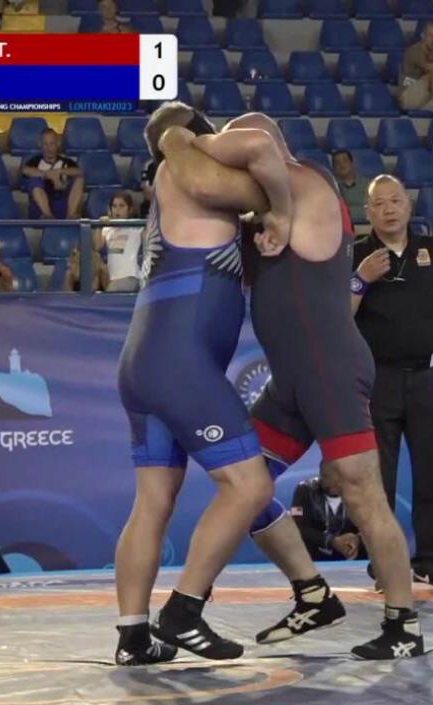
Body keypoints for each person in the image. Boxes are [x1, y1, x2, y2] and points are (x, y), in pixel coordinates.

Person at [159, 113, 425, 659]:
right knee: (245, 489)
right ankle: (309, 594)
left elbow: (251, 147)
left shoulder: (302, 182)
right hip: (294, 380)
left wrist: (182, 138)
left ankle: (404, 625)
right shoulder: (269, 200)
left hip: (329, 369)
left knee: (362, 492)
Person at [111, 102, 297, 665]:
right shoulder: (186, 167)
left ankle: (132, 637)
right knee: (249, 486)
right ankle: (184, 610)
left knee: (153, 501)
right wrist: (280, 206)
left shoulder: (178, 187)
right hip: (178, 361)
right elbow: (246, 170)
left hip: (146, 358)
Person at [350, 174, 433, 592]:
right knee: (378, 478)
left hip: (426, 376)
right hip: (376, 379)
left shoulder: (432, 251)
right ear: (368, 212)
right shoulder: (355, 254)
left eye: (395, 200)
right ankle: (383, 565)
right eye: (379, 203)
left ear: (408, 206)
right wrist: (360, 279)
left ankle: (431, 562)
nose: (389, 209)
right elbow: (337, 315)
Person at [291, 465, 365, 562]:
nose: (329, 482)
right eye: (325, 476)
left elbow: (374, 524)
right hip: (314, 557)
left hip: (354, 556)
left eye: (335, 477)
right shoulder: (304, 489)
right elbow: (298, 526)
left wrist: (357, 539)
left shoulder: (361, 491)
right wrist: (331, 541)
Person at [22, 129, 85, 220]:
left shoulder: (65, 162)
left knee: (79, 180)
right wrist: (48, 175)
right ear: (40, 145)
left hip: (62, 204)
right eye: (45, 144)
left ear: (57, 144)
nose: (49, 148)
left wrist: (60, 172)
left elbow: (80, 171)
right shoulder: (35, 161)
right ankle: (48, 216)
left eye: (52, 144)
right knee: (34, 181)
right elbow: (25, 170)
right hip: (40, 210)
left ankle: (70, 216)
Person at [93, 191, 142, 292]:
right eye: (114, 206)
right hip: (112, 279)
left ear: (129, 209)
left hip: (130, 277)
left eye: (121, 206)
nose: (117, 210)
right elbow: (97, 246)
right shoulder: (107, 229)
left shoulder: (137, 228)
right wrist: (99, 226)